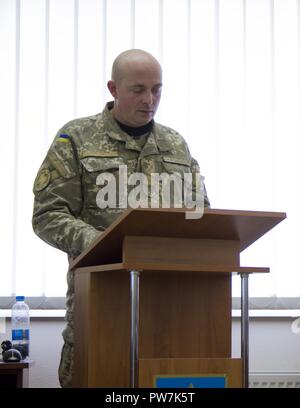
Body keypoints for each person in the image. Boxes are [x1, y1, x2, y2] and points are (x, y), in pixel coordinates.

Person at [32, 49, 210, 387]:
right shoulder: (76, 139)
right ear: (113, 89)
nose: (150, 99)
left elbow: (199, 212)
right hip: (101, 302)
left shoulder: (174, 144)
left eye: (157, 89)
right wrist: (107, 244)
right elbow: (48, 215)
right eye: (138, 89)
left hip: (173, 308)